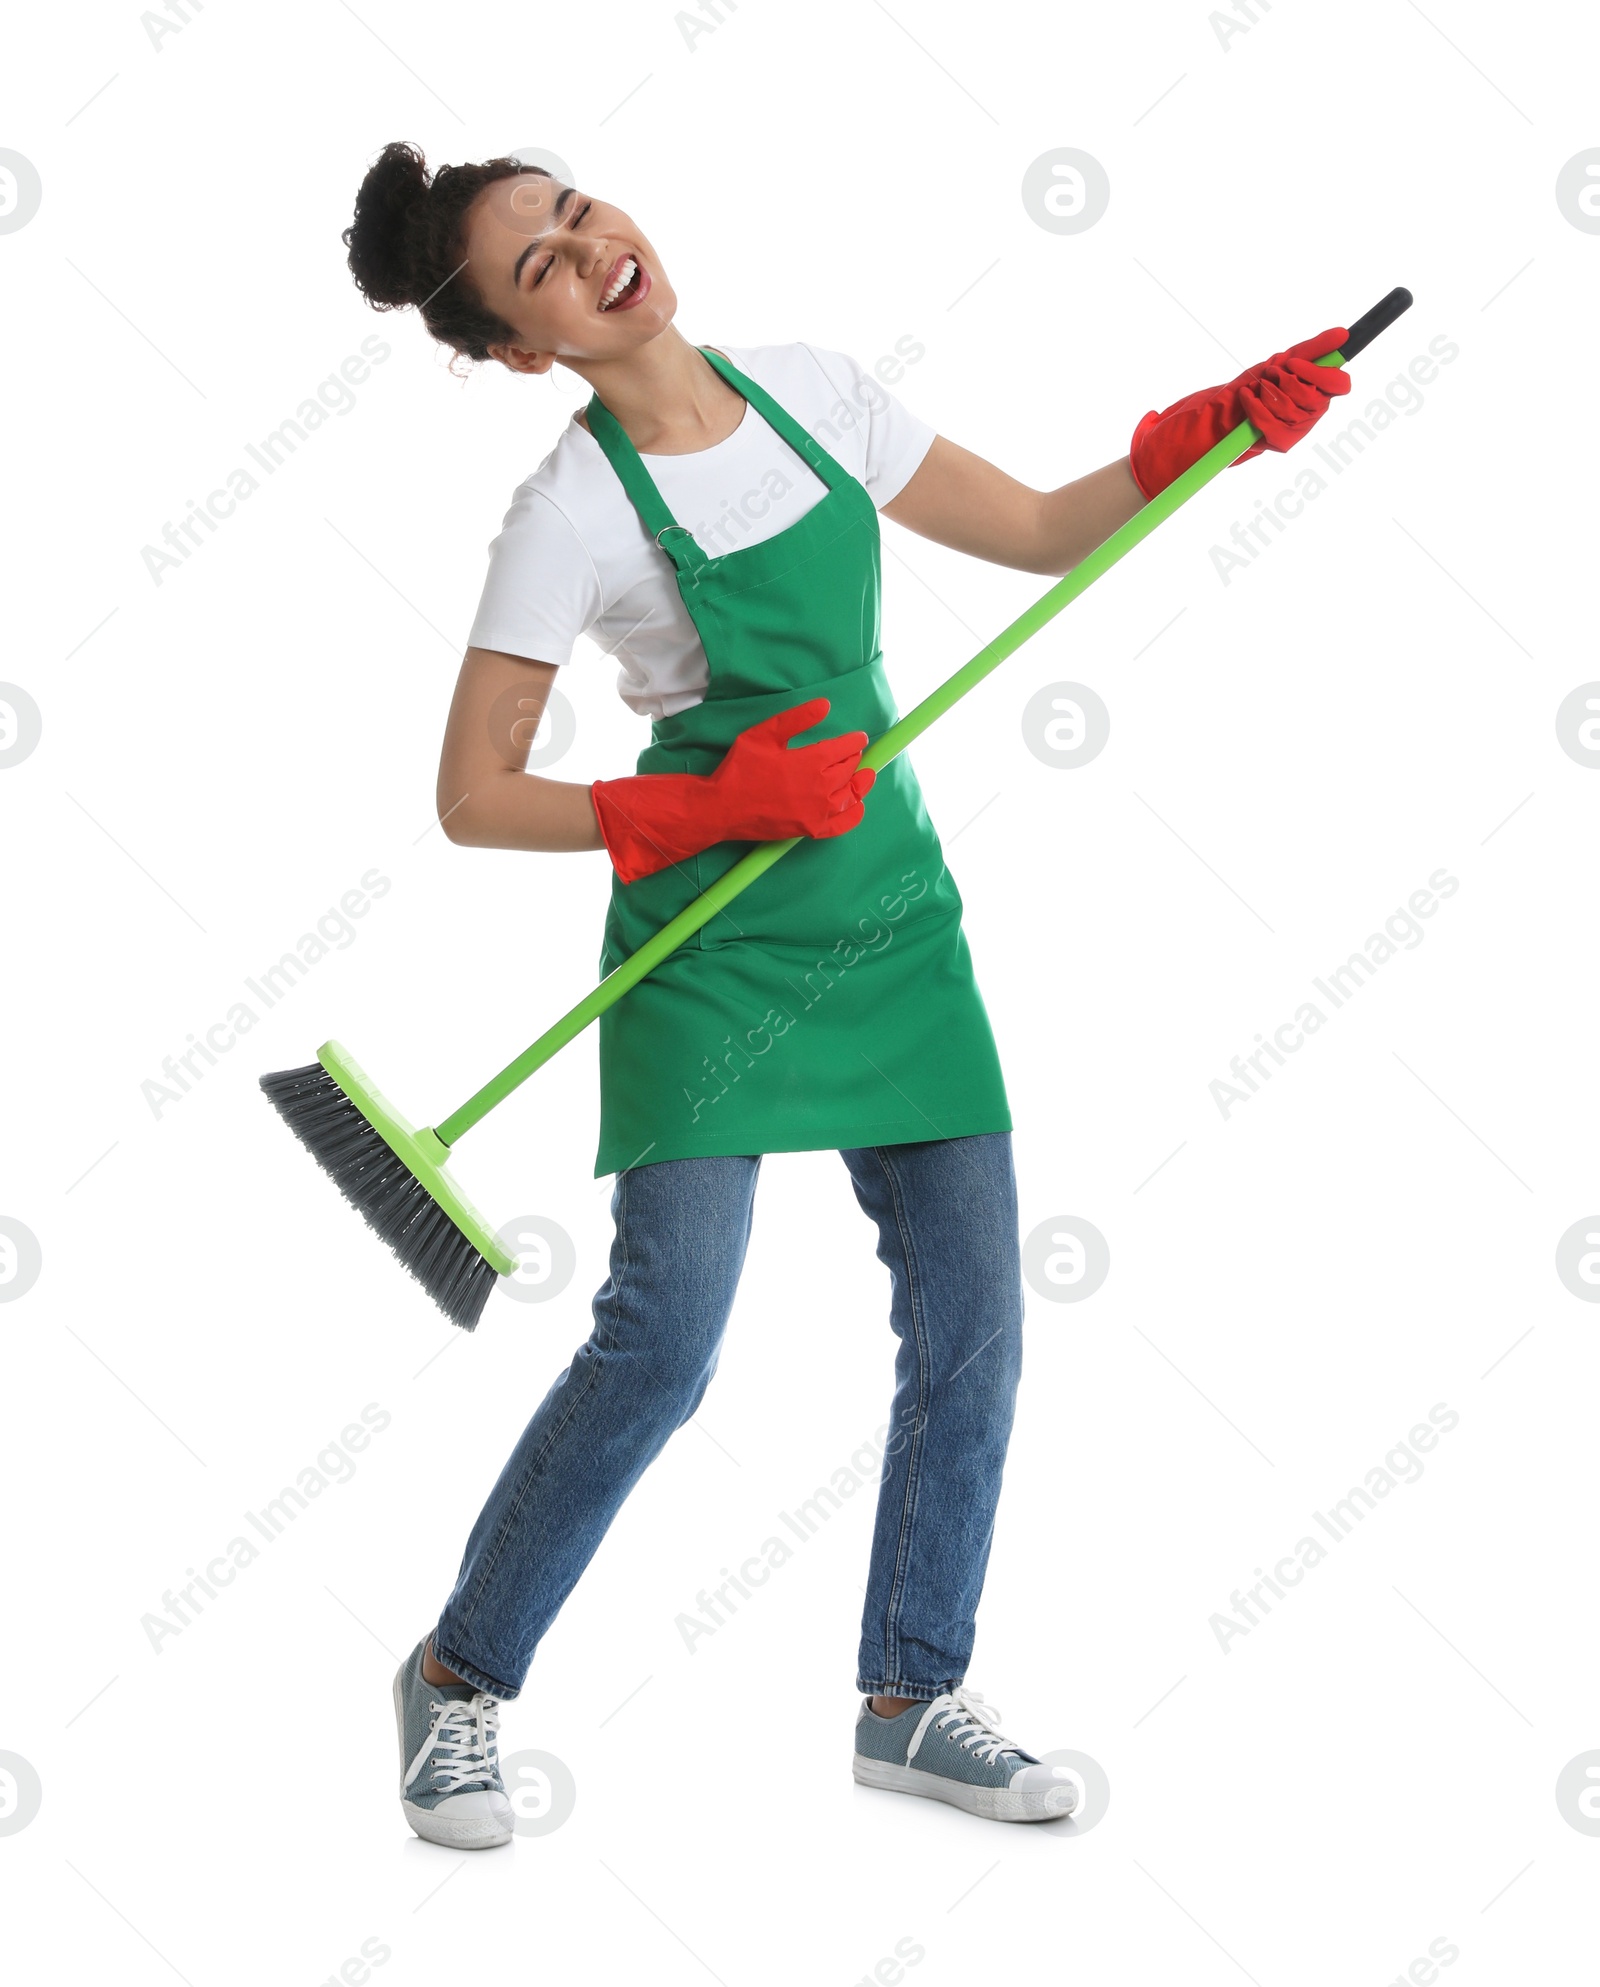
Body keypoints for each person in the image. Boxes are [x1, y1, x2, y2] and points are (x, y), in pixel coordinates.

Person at [342, 142, 1350, 1849]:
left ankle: (913, 1697)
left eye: (577, 215)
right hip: (707, 941)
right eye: (538, 271)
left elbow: (1035, 532)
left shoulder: (812, 395)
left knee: (974, 1322)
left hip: (886, 911)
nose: (591, 255)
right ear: (519, 353)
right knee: (664, 1345)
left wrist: (1194, 443)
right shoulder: (567, 515)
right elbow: (470, 794)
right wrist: (702, 808)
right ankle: (458, 1680)